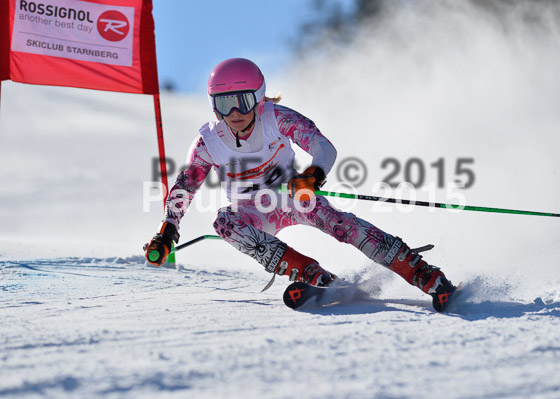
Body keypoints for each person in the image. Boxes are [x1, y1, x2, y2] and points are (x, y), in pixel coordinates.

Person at [145, 58, 457, 311]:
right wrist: (167, 231)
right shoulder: (208, 142)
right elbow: (185, 188)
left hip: (292, 195)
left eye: (242, 101)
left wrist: (312, 176)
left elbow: (323, 146)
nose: (236, 113)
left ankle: (422, 273)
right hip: (253, 213)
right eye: (225, 104)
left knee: (339, 223)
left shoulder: (275, 118)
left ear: (258, 97)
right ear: (214, 105)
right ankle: (311, 274)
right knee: (224, 220)